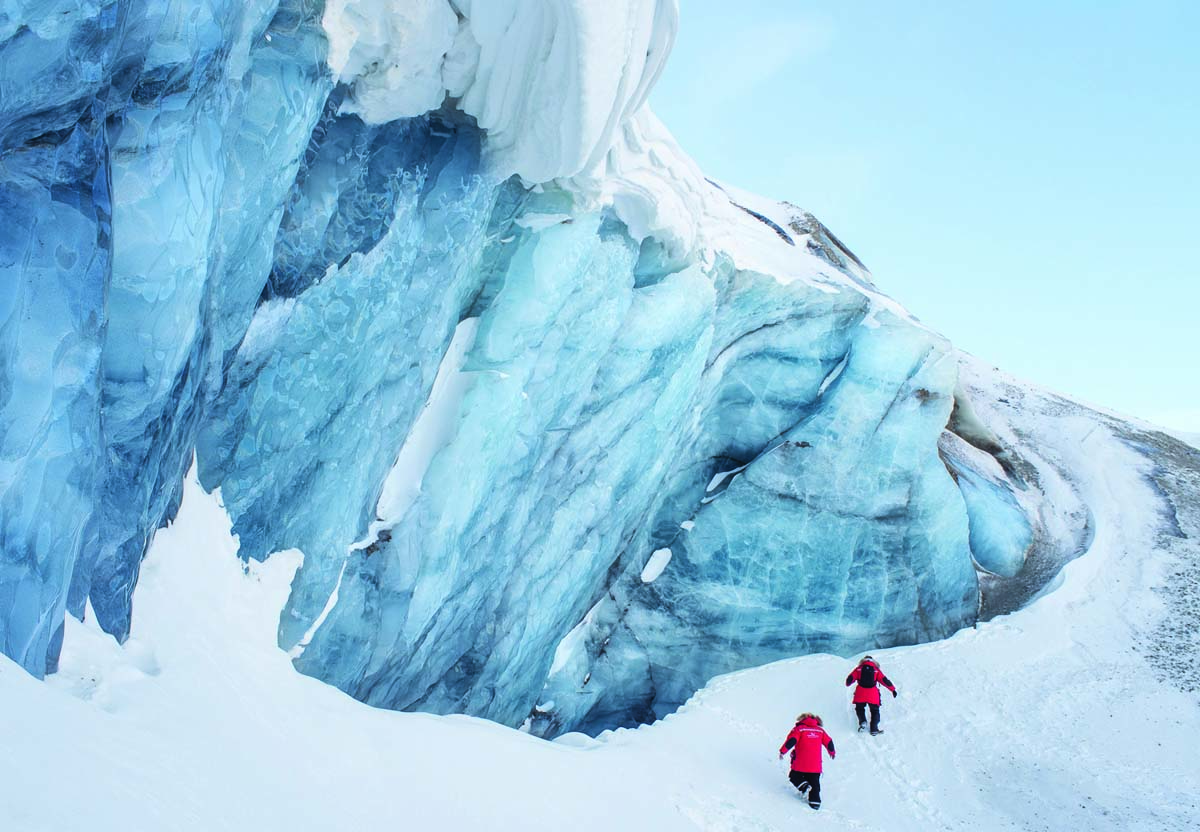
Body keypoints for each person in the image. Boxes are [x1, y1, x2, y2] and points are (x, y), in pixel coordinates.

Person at [777, 712, 836, 810]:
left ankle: (804, 787)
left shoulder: (799, 729)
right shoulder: (820, 731)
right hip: (815, 765)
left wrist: (783, 751)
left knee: (794, 776)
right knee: (815, 784)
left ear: (802, 719)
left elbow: (792, 740)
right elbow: (829, 741)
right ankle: (815, 803)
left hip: (801, 762)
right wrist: (832, 752)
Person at [845, 655, 897, 735]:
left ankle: (862, 721)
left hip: (860, 693)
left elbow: (848, 681)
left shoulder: (858, 669)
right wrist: (893, 690)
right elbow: (885, 680)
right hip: (873, 694)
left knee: (859, 708)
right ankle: (874, 729)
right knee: (875, 711)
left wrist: (849, 682)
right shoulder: (876, 670)